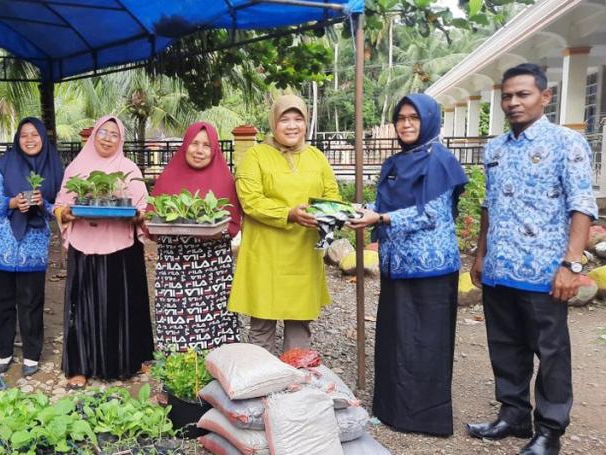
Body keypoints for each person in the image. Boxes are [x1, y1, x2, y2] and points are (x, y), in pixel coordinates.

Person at [466, 63, 597, 455]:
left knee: (551, 352)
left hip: (545, 271)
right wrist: (481, 254)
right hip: (500, 269)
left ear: (545, 96)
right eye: (507, 96)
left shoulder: (567, 143)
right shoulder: (495, 148)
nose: (513, 102)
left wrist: (572, 264)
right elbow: (488, 204)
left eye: (522, 94)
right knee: (505, 346)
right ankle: (514, 415)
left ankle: (550, 431)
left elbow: (582, 205)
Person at [349, 93, 467, 436]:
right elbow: (384, 205)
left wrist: (380, 218)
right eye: (401, 118)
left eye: (414, 117)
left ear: (428, 120)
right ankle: (393, 411)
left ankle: (426, 418)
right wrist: (360, 211)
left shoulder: (440, 161)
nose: (406, 124)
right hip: (396, 265)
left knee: (426, 343)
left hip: (431, 269)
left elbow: (432, 214)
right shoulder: (396, 163)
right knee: (397, 339)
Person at [228, 94, 340, 353]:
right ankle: (261, 375)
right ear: (273, 123)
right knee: (262, 322)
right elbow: (250, 200)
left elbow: (331, 194)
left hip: (303, 251)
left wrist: (328, 213)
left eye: (298, 119)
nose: (292, 126)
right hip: (265, 252)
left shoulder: (317, 157)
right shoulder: (256, 156)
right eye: (284, 119)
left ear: (306, 123)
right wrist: (288, 213)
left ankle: (297, 375)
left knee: (299, 322)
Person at [55, 115, 153, 386]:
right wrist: (67, 213)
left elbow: (142, 209)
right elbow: (60, 205)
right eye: (103, 132)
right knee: (83, 307)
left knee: (122, 306)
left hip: (122, 248)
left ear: (121, 140)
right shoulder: (76, 167)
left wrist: (134, 215)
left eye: (114, 134)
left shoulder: (128, 168)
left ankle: (127, 362)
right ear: (93, 135)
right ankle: (80, 367)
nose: (108, 138)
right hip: (84, 246)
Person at [0, 117, 63, 376]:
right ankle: (3, 352)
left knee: (31, 302)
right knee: (0, 302)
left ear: (43, 138)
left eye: (35, 134)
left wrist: (42, 203)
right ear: (17, 138)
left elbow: (58, 206)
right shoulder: (2, 165)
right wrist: (12, 203)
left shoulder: (53, 166)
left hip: (32, 248)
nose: (29, 139)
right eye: (24, 135)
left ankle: (31, 355)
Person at [149, 122, 242, 352]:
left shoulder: (225, 180)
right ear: (185, 146)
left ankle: (217, 369)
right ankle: (176, 370)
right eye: (194, 143)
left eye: (207, 145)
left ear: (215, 150)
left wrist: (214, 230)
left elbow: (232, 225)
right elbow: (151, 223)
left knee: (216, 327)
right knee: (175, 327)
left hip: (213, 270)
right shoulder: (168, 178)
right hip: (174, 269)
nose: (199, 150)